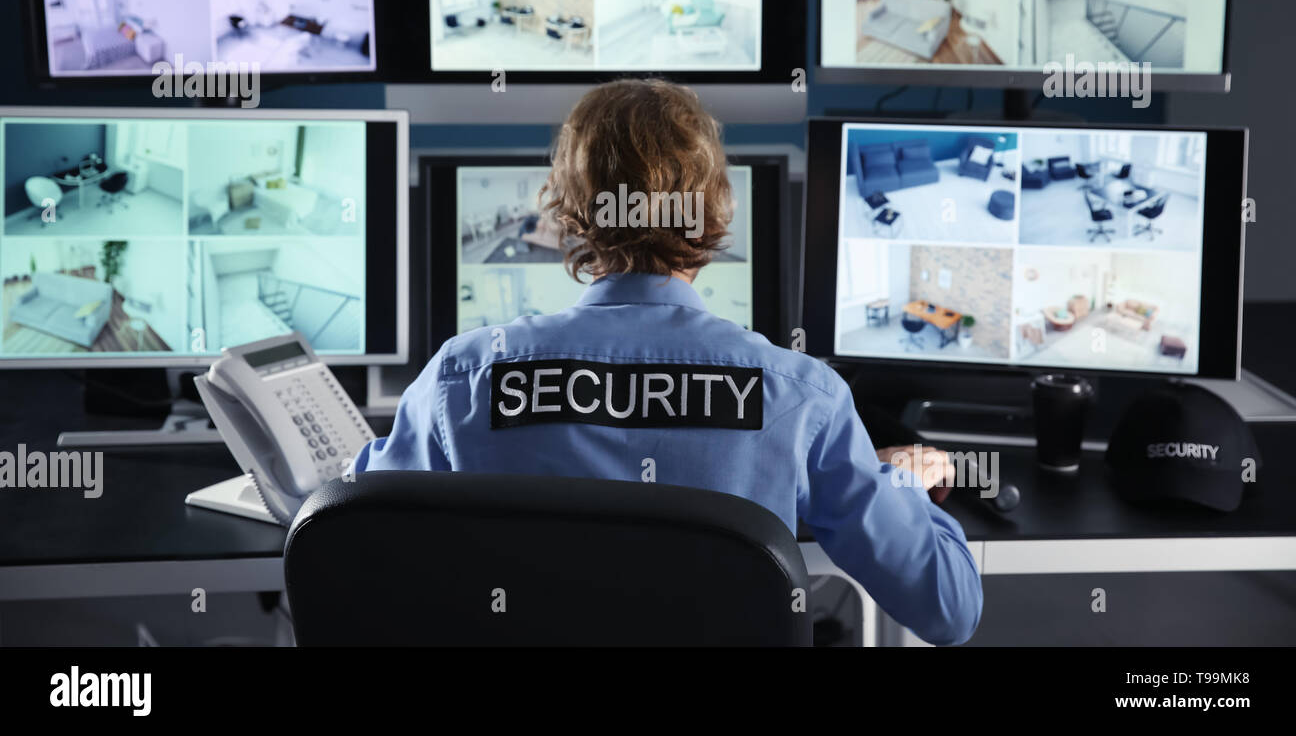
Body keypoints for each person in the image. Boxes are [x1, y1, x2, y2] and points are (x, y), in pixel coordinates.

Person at [352, 78, 982, 645]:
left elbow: (351, 539)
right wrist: (902, 486)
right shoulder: (800, 397)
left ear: (570, 213)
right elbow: (949, 610)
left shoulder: (463, 380)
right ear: (713, 211)